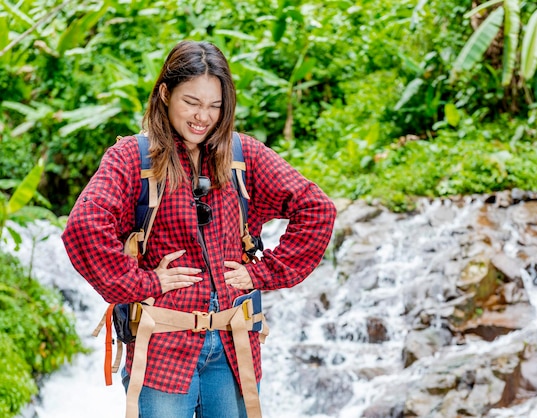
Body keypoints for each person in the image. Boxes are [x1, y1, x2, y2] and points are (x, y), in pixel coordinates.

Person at [61, 40, 336, 418]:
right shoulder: (132, 158)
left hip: (233, 345)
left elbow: (316, 208)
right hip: (161, 347)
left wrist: (263, 272)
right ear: (165, 93)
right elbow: (83, 228)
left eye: (215, 106)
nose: (202, 117)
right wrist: (144, 283)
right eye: (191, 102)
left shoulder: (244, 156)